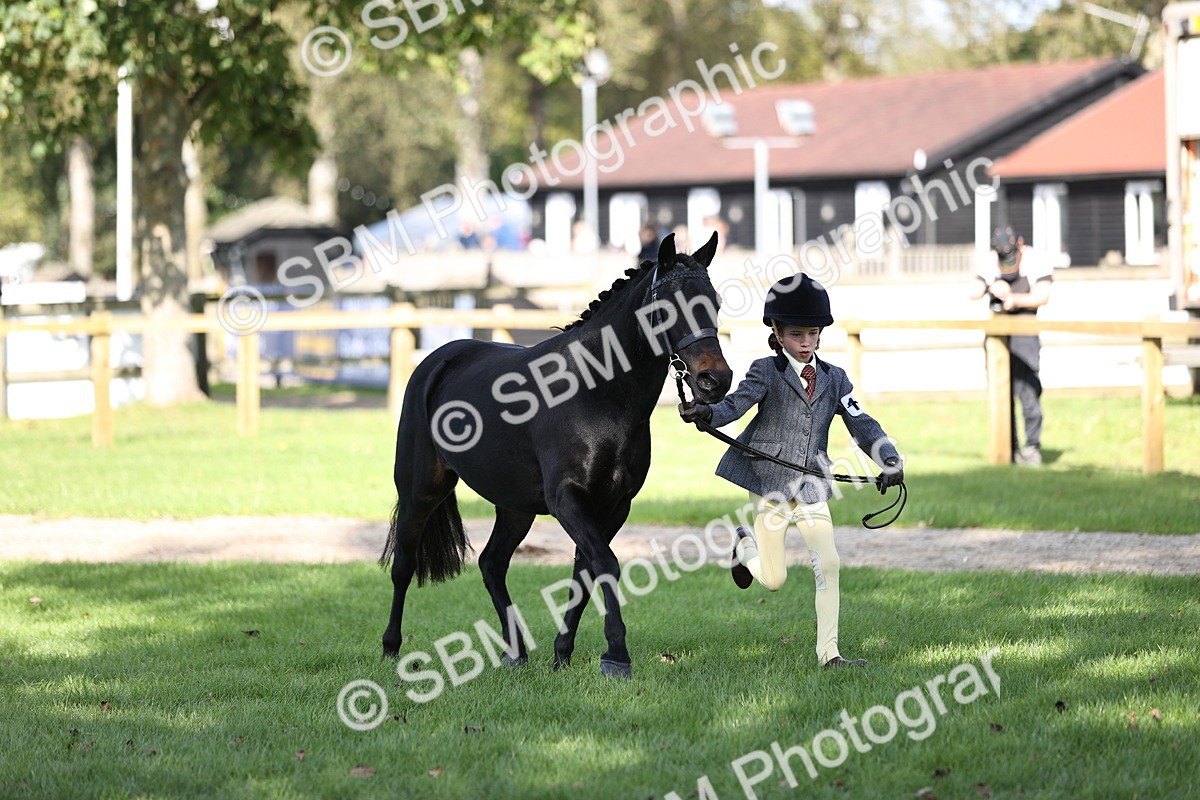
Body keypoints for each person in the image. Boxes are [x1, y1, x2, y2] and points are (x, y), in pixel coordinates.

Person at [679, 274, 904, 669]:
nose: (805, 342)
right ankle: (744, 546)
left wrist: (889, 459)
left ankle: (830, 654)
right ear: (778, 333)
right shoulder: (765, 371)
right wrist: (707, 413)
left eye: (812, 334)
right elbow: (735, 405)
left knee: (829, 563)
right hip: (770, 485)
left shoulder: (835, 379)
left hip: (813, 486)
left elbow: (861, 422)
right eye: (796, 334)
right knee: (773, 579)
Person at [969, 226, 1052, 467]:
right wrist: (991, 288)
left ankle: (1032, 447)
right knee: (1001, 393)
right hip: (998, 337)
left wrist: (1014, 300)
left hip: (1025, 332)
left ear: (1020, 244)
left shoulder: (1034, 260)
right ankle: (1010, 449)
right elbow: (972, 291)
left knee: (1029, 392)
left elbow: (1043, 295)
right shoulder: (989, 261)